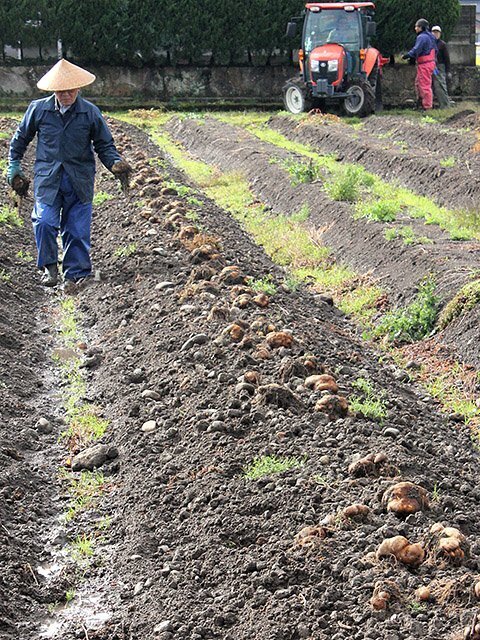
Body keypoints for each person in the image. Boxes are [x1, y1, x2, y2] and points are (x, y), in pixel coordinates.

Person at [7, 58, 131, 291]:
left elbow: (104, 145)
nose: (66, 95)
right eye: (61, 91)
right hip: (48, 178)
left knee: (76, 229)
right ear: (54, 90)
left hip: (79, 178)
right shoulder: (38, 109)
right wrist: (14, 166)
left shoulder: (89, 113)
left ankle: (76, 275)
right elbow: (20, 141)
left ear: (78, 89)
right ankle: (49, 267)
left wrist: (114, 164)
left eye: (70, 90)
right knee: (44, 222)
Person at [402, 19, 438, 111]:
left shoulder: (422, 37)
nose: (415, 28)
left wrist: (407, 55)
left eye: (416, 26)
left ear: (421, 27)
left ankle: (427, 107)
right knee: (418, 83)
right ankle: (420, 103)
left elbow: (416, 49)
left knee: (424, 85)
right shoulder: (431, 37)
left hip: (424, 64)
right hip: (431, 63)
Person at [431, 25, 454, 108]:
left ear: (440, 34)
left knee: (440, 85)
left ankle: (445, 105)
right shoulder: (429, 43)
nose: (435, 34)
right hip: (430, 65)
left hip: (440, 66)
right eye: (434, 32)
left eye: (437, 32)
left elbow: (447, 59)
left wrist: (448, 71)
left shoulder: (442, 44)